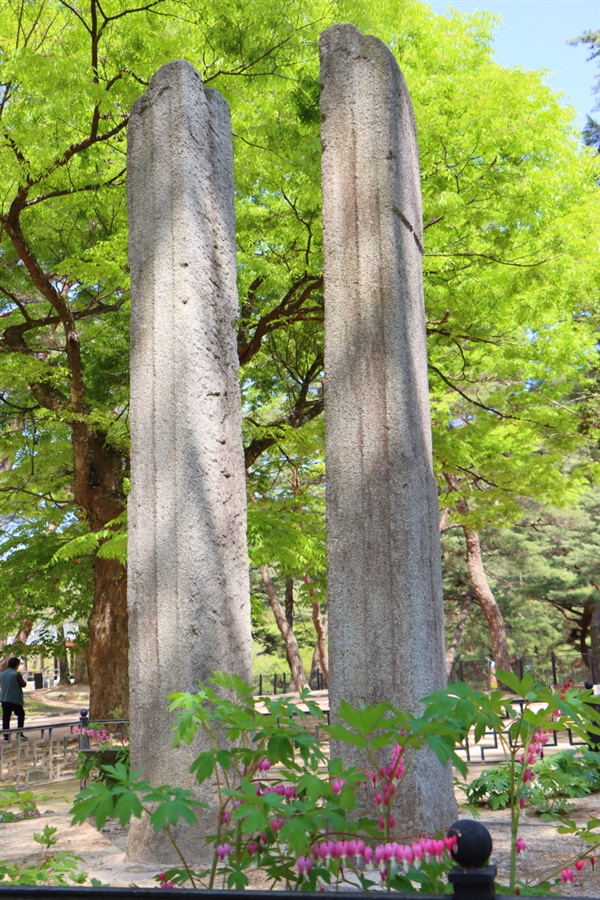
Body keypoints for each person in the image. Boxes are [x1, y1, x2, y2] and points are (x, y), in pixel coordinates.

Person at [1, 657, 27, 741]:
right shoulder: (16, 674)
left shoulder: (2, 674)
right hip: (15, 699)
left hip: (4, 698)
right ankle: (19, 733)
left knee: (6, 717)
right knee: (21, 714)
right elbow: (23, 684)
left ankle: (6, 736)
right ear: (16, 665)